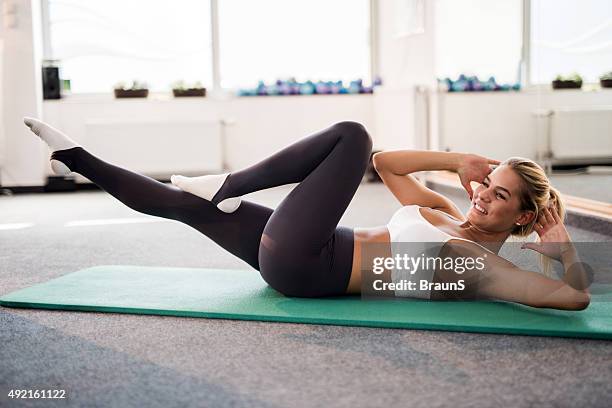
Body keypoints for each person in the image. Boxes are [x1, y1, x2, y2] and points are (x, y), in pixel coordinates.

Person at [23, 118, 590, 310]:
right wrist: (456, 160)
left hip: (310, 265)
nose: (482, 194)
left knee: (349, 132)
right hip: (304, 250)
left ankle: (229, 184)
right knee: (186, 207)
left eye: (498, 194)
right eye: (486, 183)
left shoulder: (478, 266)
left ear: (521, 217)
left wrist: (558, 236)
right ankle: (73, 158)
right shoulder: (443, 210)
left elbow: (575, 297)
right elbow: (385, 165)